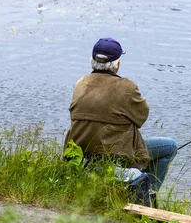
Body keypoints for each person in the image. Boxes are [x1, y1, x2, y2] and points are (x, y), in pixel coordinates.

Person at [64, 37, 177, 192]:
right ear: (117, 63)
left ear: (92, 60)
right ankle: (148, 193)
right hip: (116, 154)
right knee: (170, 146)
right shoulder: (127, 87)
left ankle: (132, 182)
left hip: (84, 155)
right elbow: (141, 117)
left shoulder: (80, 84)